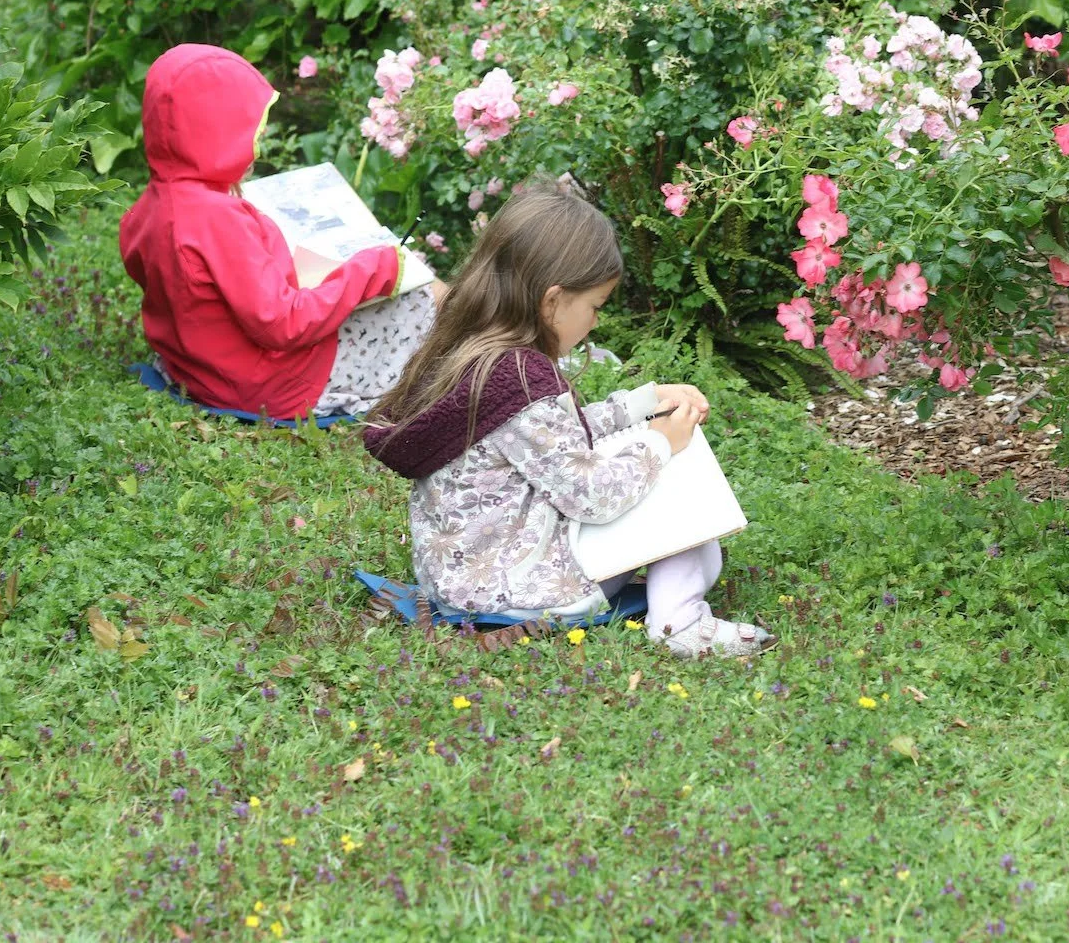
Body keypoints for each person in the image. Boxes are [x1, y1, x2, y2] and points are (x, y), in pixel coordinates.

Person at [362, 189, 771, 659]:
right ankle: (681, 622)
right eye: (596, 306)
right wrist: (660, 445)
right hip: (525, 588)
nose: (596, 322)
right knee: (673, 480)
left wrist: (643, 403)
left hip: (464, 576)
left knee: (654, 456)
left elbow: (554, 435)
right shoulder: (519, 378)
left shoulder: (478, 355)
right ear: (553, 301)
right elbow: (592, 495)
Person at [119, 43, 440, 421]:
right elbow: (282, 324)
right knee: (423, 296)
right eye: (249, 129)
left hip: (197, 367)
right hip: (268, 385)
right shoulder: (217, 219)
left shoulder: (147, 208)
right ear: (215, 132)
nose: (256, 140)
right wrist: (375, 268)